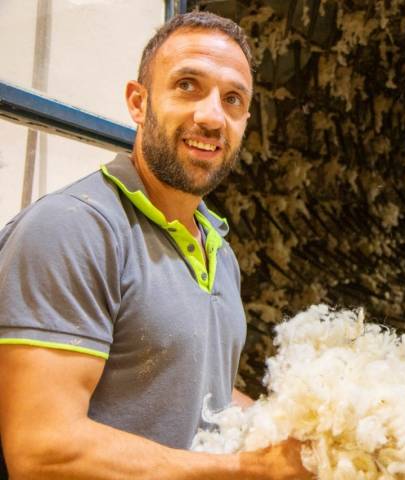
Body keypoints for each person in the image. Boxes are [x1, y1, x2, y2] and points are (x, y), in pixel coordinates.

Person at [0, 12, 311, 479]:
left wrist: (309, 431)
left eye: (232, 99)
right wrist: (252, 470)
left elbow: (200, 393)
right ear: (138, 102)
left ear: (245, 120)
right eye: (187, 85)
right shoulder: (74, 229)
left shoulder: (218, 250)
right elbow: (44, 450)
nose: (210, 116)